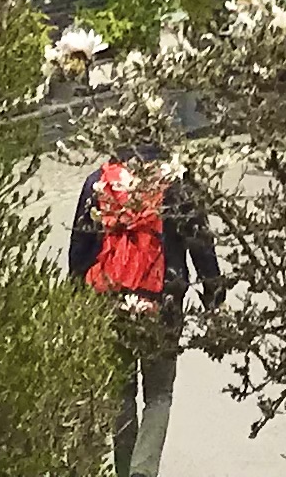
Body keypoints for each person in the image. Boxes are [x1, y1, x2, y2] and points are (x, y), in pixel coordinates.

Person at [68, 140, 222, 477]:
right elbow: (200, 242)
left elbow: (80, 247)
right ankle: (143, 470)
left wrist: (76, 300)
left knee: (120, 392)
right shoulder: (179, 185)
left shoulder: (99, 183)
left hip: (108, 302)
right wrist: (213, 292)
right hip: (162, 303)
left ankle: (125, 470)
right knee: (159, 394)